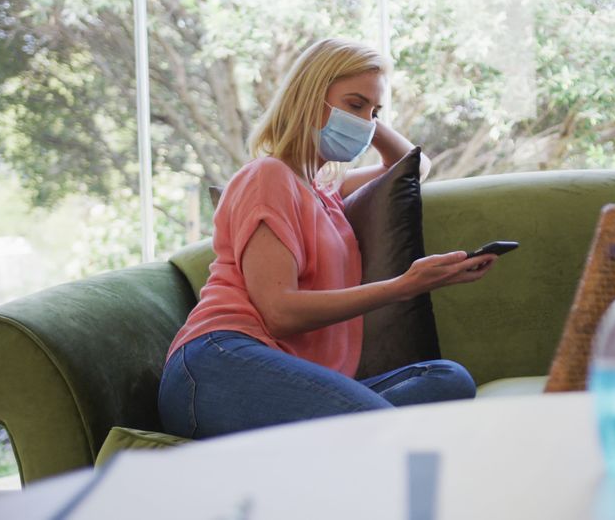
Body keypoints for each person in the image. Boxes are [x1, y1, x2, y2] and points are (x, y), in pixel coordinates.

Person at [158, 38, 496, 439]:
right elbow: (278, 312)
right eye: (354, 105)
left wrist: (364, 117)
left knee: (447, 380)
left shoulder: (325, 192)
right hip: (220, 363)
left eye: (374, 112)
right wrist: (405, 286)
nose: (366, 120)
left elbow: (414, 164)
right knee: (383, 433)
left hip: (287, 374)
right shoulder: (267, 176)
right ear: (309, 98)